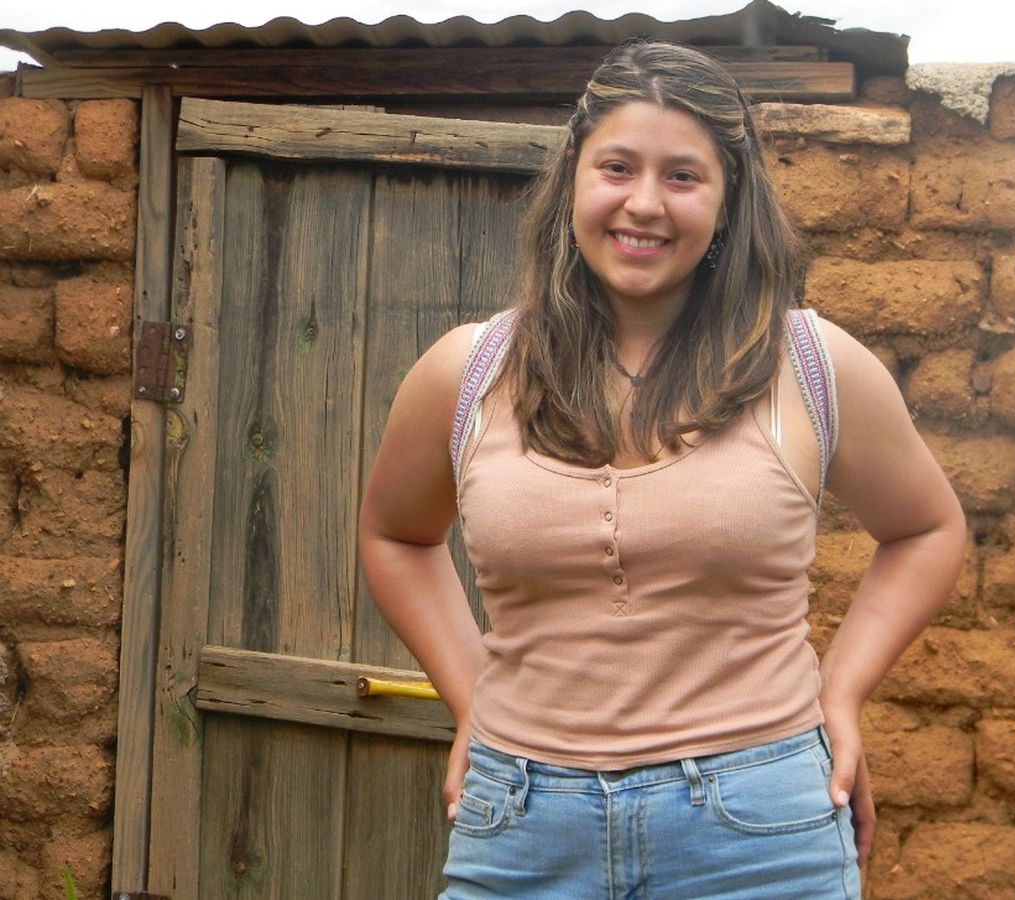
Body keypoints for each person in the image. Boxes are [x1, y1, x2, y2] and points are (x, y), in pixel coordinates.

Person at [358, 41, 966, 899]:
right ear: (574, 178)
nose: (644, 203)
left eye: (683, 176)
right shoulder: (469, 371)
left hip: (760, 829)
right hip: (522, 825)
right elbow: (394, 535)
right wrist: (472, 702)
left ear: (728, 200)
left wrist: (843, 693)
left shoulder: (810, 364)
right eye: (617, 167)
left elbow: (927, 529)